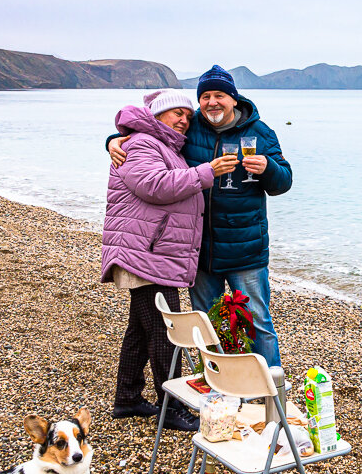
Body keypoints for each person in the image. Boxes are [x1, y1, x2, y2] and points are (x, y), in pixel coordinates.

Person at [109, 65, 292, 367]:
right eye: (205, 96)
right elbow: (148, 136)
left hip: (245, 249)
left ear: (234, 99)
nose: (211, 102)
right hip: (200, 249)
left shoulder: (260, 133)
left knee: (258, 321)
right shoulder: (190, 127)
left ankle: (270, 393)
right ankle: (218, 387)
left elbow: (283, 182)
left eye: (219, 95)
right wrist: (113, 141)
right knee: (206, 324)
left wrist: (269, 170)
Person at [101, 88, 238, 425]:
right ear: (159, 114)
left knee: (140, 328)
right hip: (144, 251)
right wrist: (207, 172)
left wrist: (111, 140)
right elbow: (154, 185)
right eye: (178, 113)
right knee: (165, 330)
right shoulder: (144, 143)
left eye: (188, 117)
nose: (184, 120)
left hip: (148, 249)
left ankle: (128, 398)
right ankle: (171, 407)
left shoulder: (158, 144)